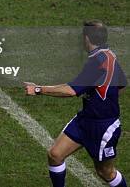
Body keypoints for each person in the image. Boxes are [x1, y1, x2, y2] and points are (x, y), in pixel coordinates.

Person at [24, 20, 127, 187]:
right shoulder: (109, 54)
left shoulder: (95, 63)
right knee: (55, 154)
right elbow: (122, 84)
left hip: (103, 127)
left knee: (106, 172)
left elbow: (71, 91)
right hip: (85, 120)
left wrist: (38, 89)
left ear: (87, 39)